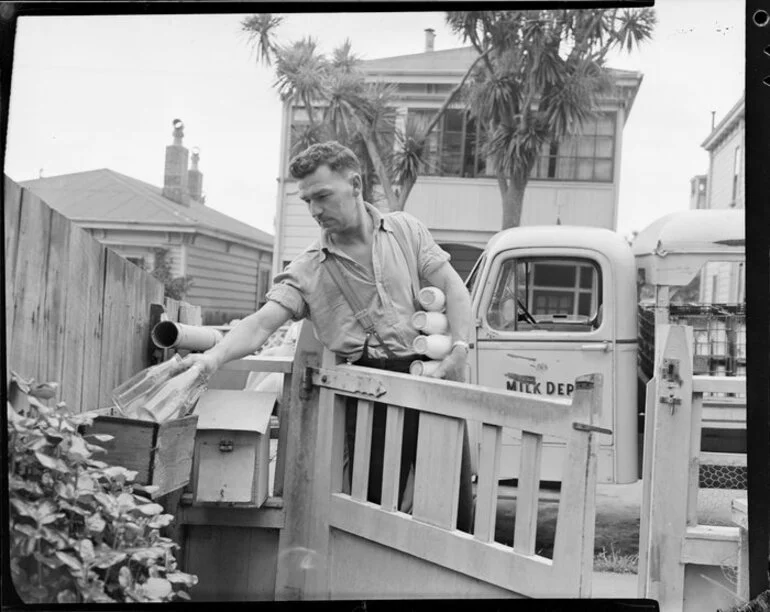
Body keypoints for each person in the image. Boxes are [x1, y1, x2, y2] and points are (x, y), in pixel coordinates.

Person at [181, 141, 474, 532]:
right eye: (307, 201)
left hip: (432, 378)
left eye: (322, 196)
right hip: (372, 394)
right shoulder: (308, 269)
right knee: (374, 518)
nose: (315, 210)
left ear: (355, 184)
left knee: (454, 513)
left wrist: (459, 350)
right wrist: (210, 359)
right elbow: (260, 325)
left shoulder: (406, 230)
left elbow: (454, 288)